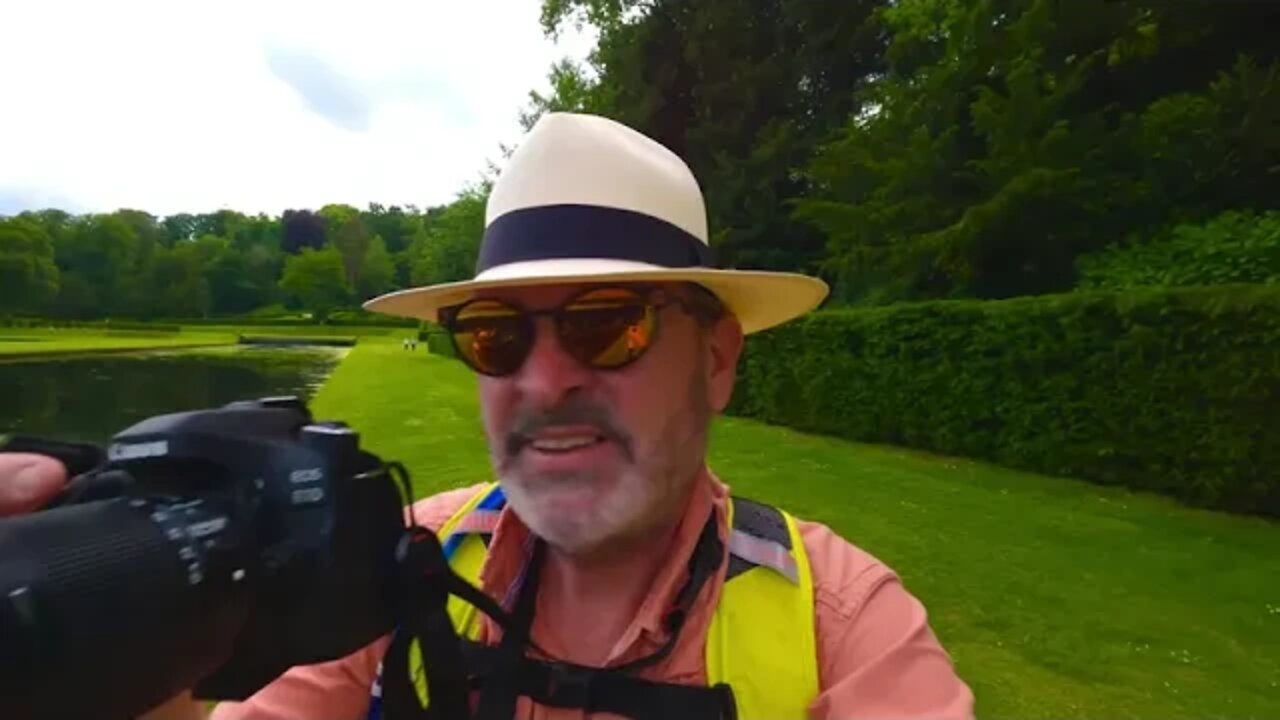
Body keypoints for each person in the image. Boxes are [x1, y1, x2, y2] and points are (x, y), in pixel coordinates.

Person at [0, 113, 975, 720]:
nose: (542, 381)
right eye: (496, 336)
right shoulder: (388, 560)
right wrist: (99, 634)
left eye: (607, 326)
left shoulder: (845, 629)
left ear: (714, 357)